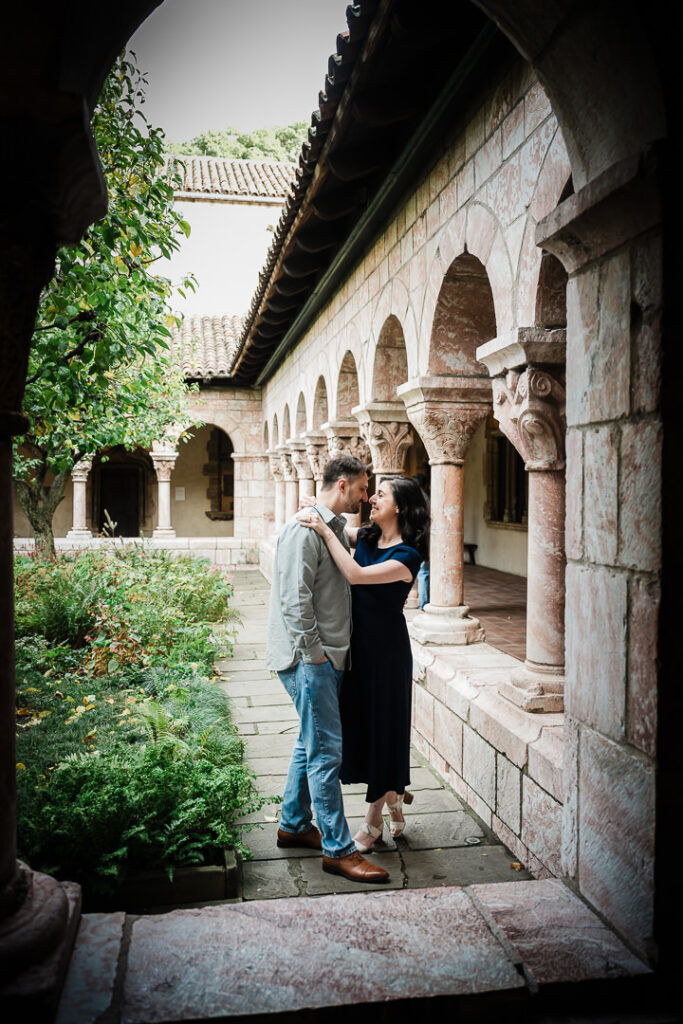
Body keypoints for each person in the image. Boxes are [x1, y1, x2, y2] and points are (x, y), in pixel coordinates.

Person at [266, 453, 390, 884]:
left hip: (327, 657)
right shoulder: (303, 531)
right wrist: (314, 653)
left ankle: (294, 824)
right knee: (325, 753)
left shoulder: (331, 526)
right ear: (342, 485)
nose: (365, 494)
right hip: (310, 660)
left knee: (309, 741)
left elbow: (366, 538)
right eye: (361, 487)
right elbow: (293, 599)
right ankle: (339, 851)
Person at [297, 474, 430, 853]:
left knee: (385, 729)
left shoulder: (408, 555)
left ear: (400, 507)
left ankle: (371, 824)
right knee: (365, 728)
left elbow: (354, 575)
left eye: (381, 495)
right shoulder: (369, 537)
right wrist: (317, 506)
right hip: (358, 650)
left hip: (387, 654)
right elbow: (342, 532)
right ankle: (393, 797)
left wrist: (323, 529)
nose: (372, 499)